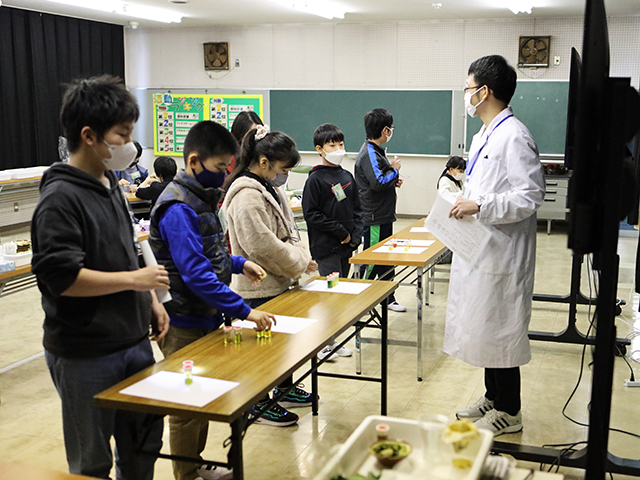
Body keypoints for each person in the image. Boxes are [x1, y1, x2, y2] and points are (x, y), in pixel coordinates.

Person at [31, 75, 169, 480]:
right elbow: (62, 278)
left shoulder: (108, 184)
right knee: (92, 462)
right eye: (122, 134)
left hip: (131, 341)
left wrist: (152, 301)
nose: (129, 144)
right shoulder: (60, 198)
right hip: (84, 352)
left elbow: (123, 250)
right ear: (88, 136)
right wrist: (136, 282)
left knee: (143, 447)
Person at [149, 121, 274, 480]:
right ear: (193, 161)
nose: (223, 177)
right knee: (186, 406)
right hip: (182, 320)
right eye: (220, 169)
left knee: (201, 395)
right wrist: (245, 310)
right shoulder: (177, 208)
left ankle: (197, 463)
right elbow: (194, 273)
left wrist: (239, 263)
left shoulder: (200, 199)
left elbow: (211, 254)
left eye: (227, 169)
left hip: (204, 316)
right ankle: (185, 475)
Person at [445, 55, 545, 435]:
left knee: (501, 327)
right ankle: (492, 396)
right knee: (486, 324)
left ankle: (510, 411)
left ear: (484, 91)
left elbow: (530, 196)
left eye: (468, 87)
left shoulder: (514, 135)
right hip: (481, 245)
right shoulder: (485, 133)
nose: (466, 94)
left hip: (504, 252)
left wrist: (481, 205)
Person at [223, 125, 317, 426]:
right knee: (262, 352)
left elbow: (289, 233)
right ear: (263, 162)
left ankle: (284, 387)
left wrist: (301, 258)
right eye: (283, 168)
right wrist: (298, 262)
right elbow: (262, 247)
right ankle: (259, 404)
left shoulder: (269, 188)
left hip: (280, 280)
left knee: (281, 345)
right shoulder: (245, 195)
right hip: (258, 286)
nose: (285, 174)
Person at [303, 123, 362, 360]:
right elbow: (312, 214)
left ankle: (335, 336)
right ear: (319, 149)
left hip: (347, 247)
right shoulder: (315, 179)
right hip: (326, 247)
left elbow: (358, 210)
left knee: (340, 294)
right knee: (330, 294)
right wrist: (341, 232)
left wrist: (354, 237)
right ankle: (327, 342)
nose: (338, 148)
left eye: (340, 144)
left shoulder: (346, 176)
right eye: (332, 145)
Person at [354, 108, 406, 312]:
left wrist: (393, 179)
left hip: (383, 214)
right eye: (390, 128)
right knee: (372, 259)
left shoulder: (377, 151)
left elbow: (381, 180)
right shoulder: (370, 153)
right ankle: (362, 296)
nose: (391, 131)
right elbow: (378, 181)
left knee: (386, 258)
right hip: (374, 216)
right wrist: (394, 170)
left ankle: (388, 296)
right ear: (385, 130)